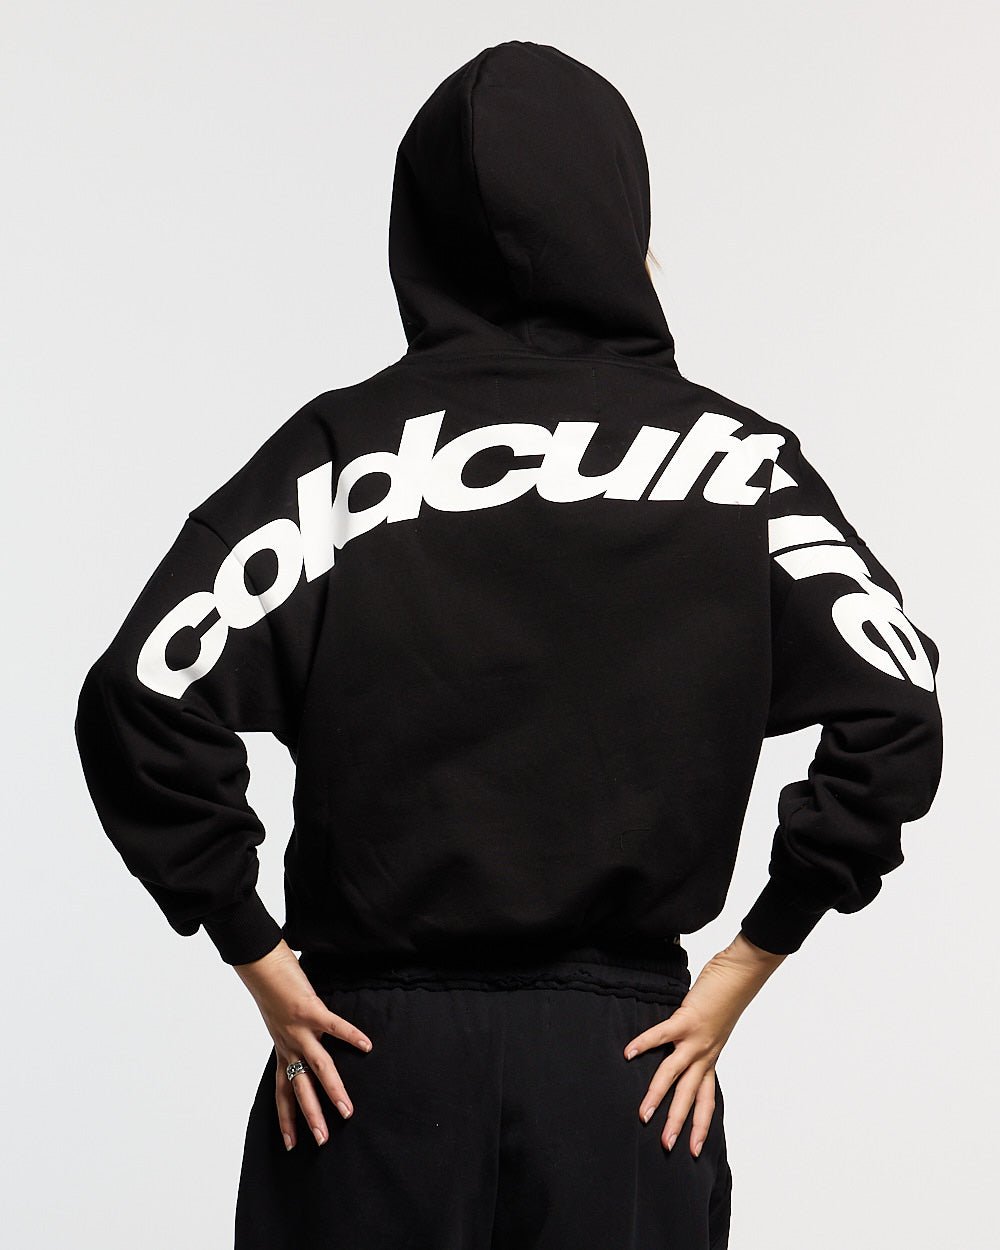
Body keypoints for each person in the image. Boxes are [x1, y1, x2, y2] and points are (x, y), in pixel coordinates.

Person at [74, 39, 944, 1250]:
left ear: (416, 236)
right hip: (625, 1067)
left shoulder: (343, 460)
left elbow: (142, 691)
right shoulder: (740, 466)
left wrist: (254, 950)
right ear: (624, 219)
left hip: (368, 1071)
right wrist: (745, 963)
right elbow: (897, 701)